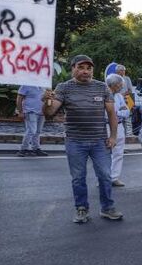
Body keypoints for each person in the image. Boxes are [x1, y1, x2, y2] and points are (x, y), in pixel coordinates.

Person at [43, 55, 123, 223]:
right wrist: (47, 101)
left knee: (105, 175)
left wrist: (113, 137)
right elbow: (49, 114)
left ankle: (107, 208)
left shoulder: (102, 88)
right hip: (75, 141)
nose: (86, 71)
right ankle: (81, 209)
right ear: (73, 68)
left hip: (99, 141)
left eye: (89, 68)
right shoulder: (63, 88)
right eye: (81, 67)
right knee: (78, 177)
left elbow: (111, 114)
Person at [105, 74, 130, 187]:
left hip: (119, 126)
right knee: (105, 154)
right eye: (120, 85)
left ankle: (114, 178)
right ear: (113, 85)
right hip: (106, 127)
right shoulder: (103, 95)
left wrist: (117, 113)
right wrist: (119, 112)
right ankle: (104, 177)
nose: (121, 87)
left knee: (118, 153)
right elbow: (106, 114)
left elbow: (127, 112)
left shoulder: (119, 96)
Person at [16, 85, 48, 156]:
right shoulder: (26, 85)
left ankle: (36, 148)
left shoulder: (44, 86)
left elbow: (45, 99)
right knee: (31, 131)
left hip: (42, 112)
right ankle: (23, 149)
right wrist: (20, 111)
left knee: (38, 131)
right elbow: (19, 98)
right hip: (30, 111)